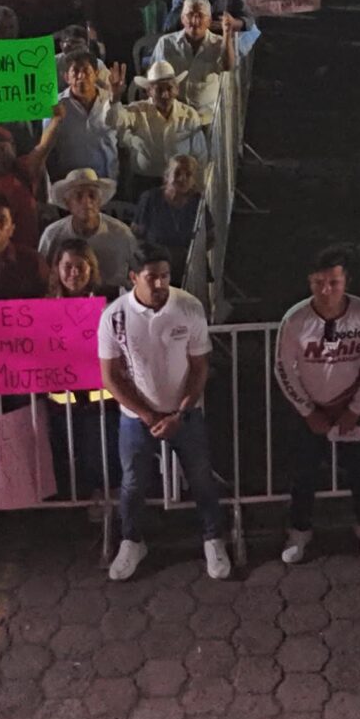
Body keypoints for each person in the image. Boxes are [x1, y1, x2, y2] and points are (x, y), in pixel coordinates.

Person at [99, 249, 232, 584]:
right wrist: (145, 414)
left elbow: (200, 366)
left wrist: (181, 411)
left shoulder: (188, 306)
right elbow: (110, 376)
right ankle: (131, 540)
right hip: (135, 417)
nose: (159, 284)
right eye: (150, 277)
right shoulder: (114, 316)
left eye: (164, 276)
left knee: (201, 477)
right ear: (133, 278)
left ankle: (213, 538)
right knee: (132, 483)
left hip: (185, 412)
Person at [272, 248, 360, 565]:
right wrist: (308, 411)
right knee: (303, 473)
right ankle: (299, 531)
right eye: (319, 282)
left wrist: (356, 408)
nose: (326, 290)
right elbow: (282, 367)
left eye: (334, 282)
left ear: (346, 281)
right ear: (310, 282)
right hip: (309, 409)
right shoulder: (294, 320)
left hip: (352, 405)